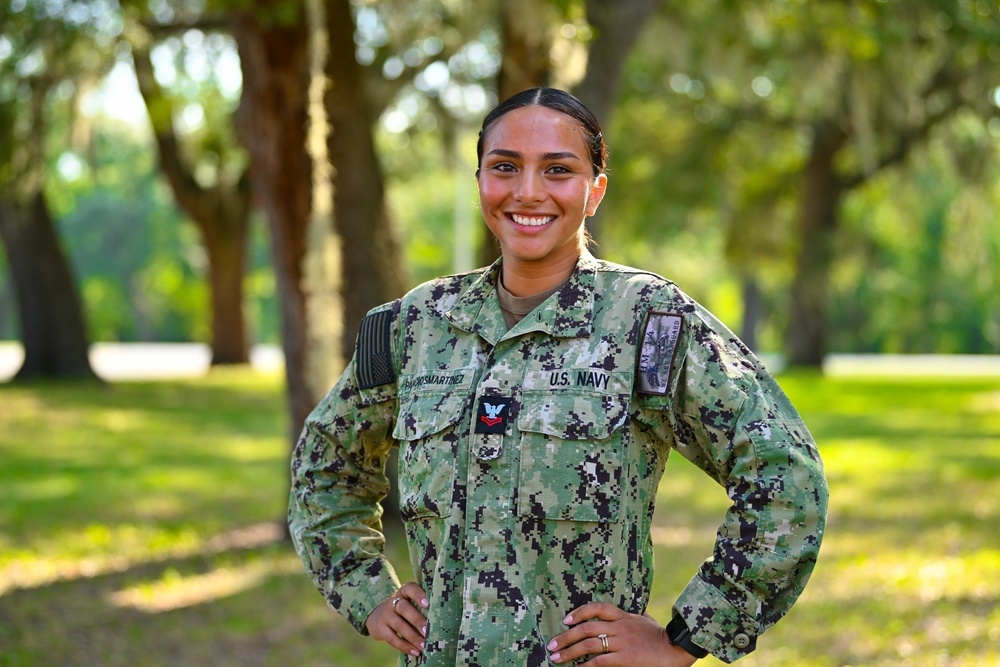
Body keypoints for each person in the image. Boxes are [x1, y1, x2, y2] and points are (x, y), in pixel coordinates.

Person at [289, 87, 829, 667]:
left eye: (558, 170)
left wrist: (688, 638)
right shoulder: (415, 324)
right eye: (504, 167)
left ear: (595, 191)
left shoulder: (647, 320)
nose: (527, 191)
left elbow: (785, 477)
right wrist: (367, 593)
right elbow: (325, 467)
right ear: (479, 184)